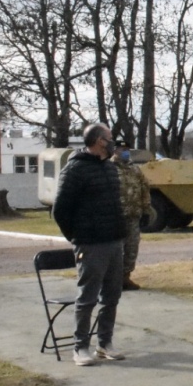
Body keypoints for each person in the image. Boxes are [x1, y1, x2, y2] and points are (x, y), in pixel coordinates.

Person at [52, 123, 128, 366]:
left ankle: (104, 343)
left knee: (112, 296)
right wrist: (77, 237)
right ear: (98, 141)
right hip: (90, 244)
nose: (113, 140)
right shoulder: (75, 169)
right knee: (87, 298)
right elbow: (60, 210)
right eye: (109, 137)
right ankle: (80, 347)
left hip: (114, 241)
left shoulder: (109, 167)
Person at [111, 139, 150, 290]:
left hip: (134, 216)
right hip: (116, 217)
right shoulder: (109, 168)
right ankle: (114, 279)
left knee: (132, 248)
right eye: (122, 149)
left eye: (127, 149)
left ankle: (125, 277)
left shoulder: (135, 169)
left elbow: (144, 189)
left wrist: (146, 210)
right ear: (115, 151)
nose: (126, 152)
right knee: (117, 250)